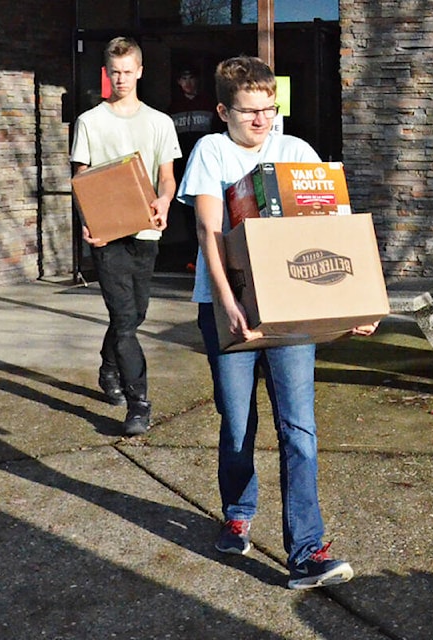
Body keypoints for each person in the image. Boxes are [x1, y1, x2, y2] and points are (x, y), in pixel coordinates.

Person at [176, 56, 379, 589]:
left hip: (292, 312)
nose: (262, 121)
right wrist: (228, 303)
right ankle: (239, 510)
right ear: (223, 110)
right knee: (238, 423)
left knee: (300, 430)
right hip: (227, 307)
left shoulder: (296, 152)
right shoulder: (211, 152)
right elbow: (208, 235)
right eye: (249, 112)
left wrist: (352, 305)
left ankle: (306, 550)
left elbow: (330, 233)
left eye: (270, 109)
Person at [70, 37, 182, 436]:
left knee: (134, 314)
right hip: (107, 235)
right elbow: (81, 179)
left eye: (127, 71)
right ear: (107, 73)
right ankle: (139, 404)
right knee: (125, 320)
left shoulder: (160, 123)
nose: (121, 78)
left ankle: (108, 366)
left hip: (145, 231)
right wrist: (87, 220)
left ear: (140, 71)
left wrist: (165, 202)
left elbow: (166, 178)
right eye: (114, 72)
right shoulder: (90, 121)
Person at [168, 63, 219, 271]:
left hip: (205, 164)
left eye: (191, 77)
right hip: (182, 166)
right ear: (179, 82)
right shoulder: (172, 108)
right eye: (184, 78)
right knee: (187, 212)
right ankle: (193, 255)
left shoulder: (209, 104)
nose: (188, 83)